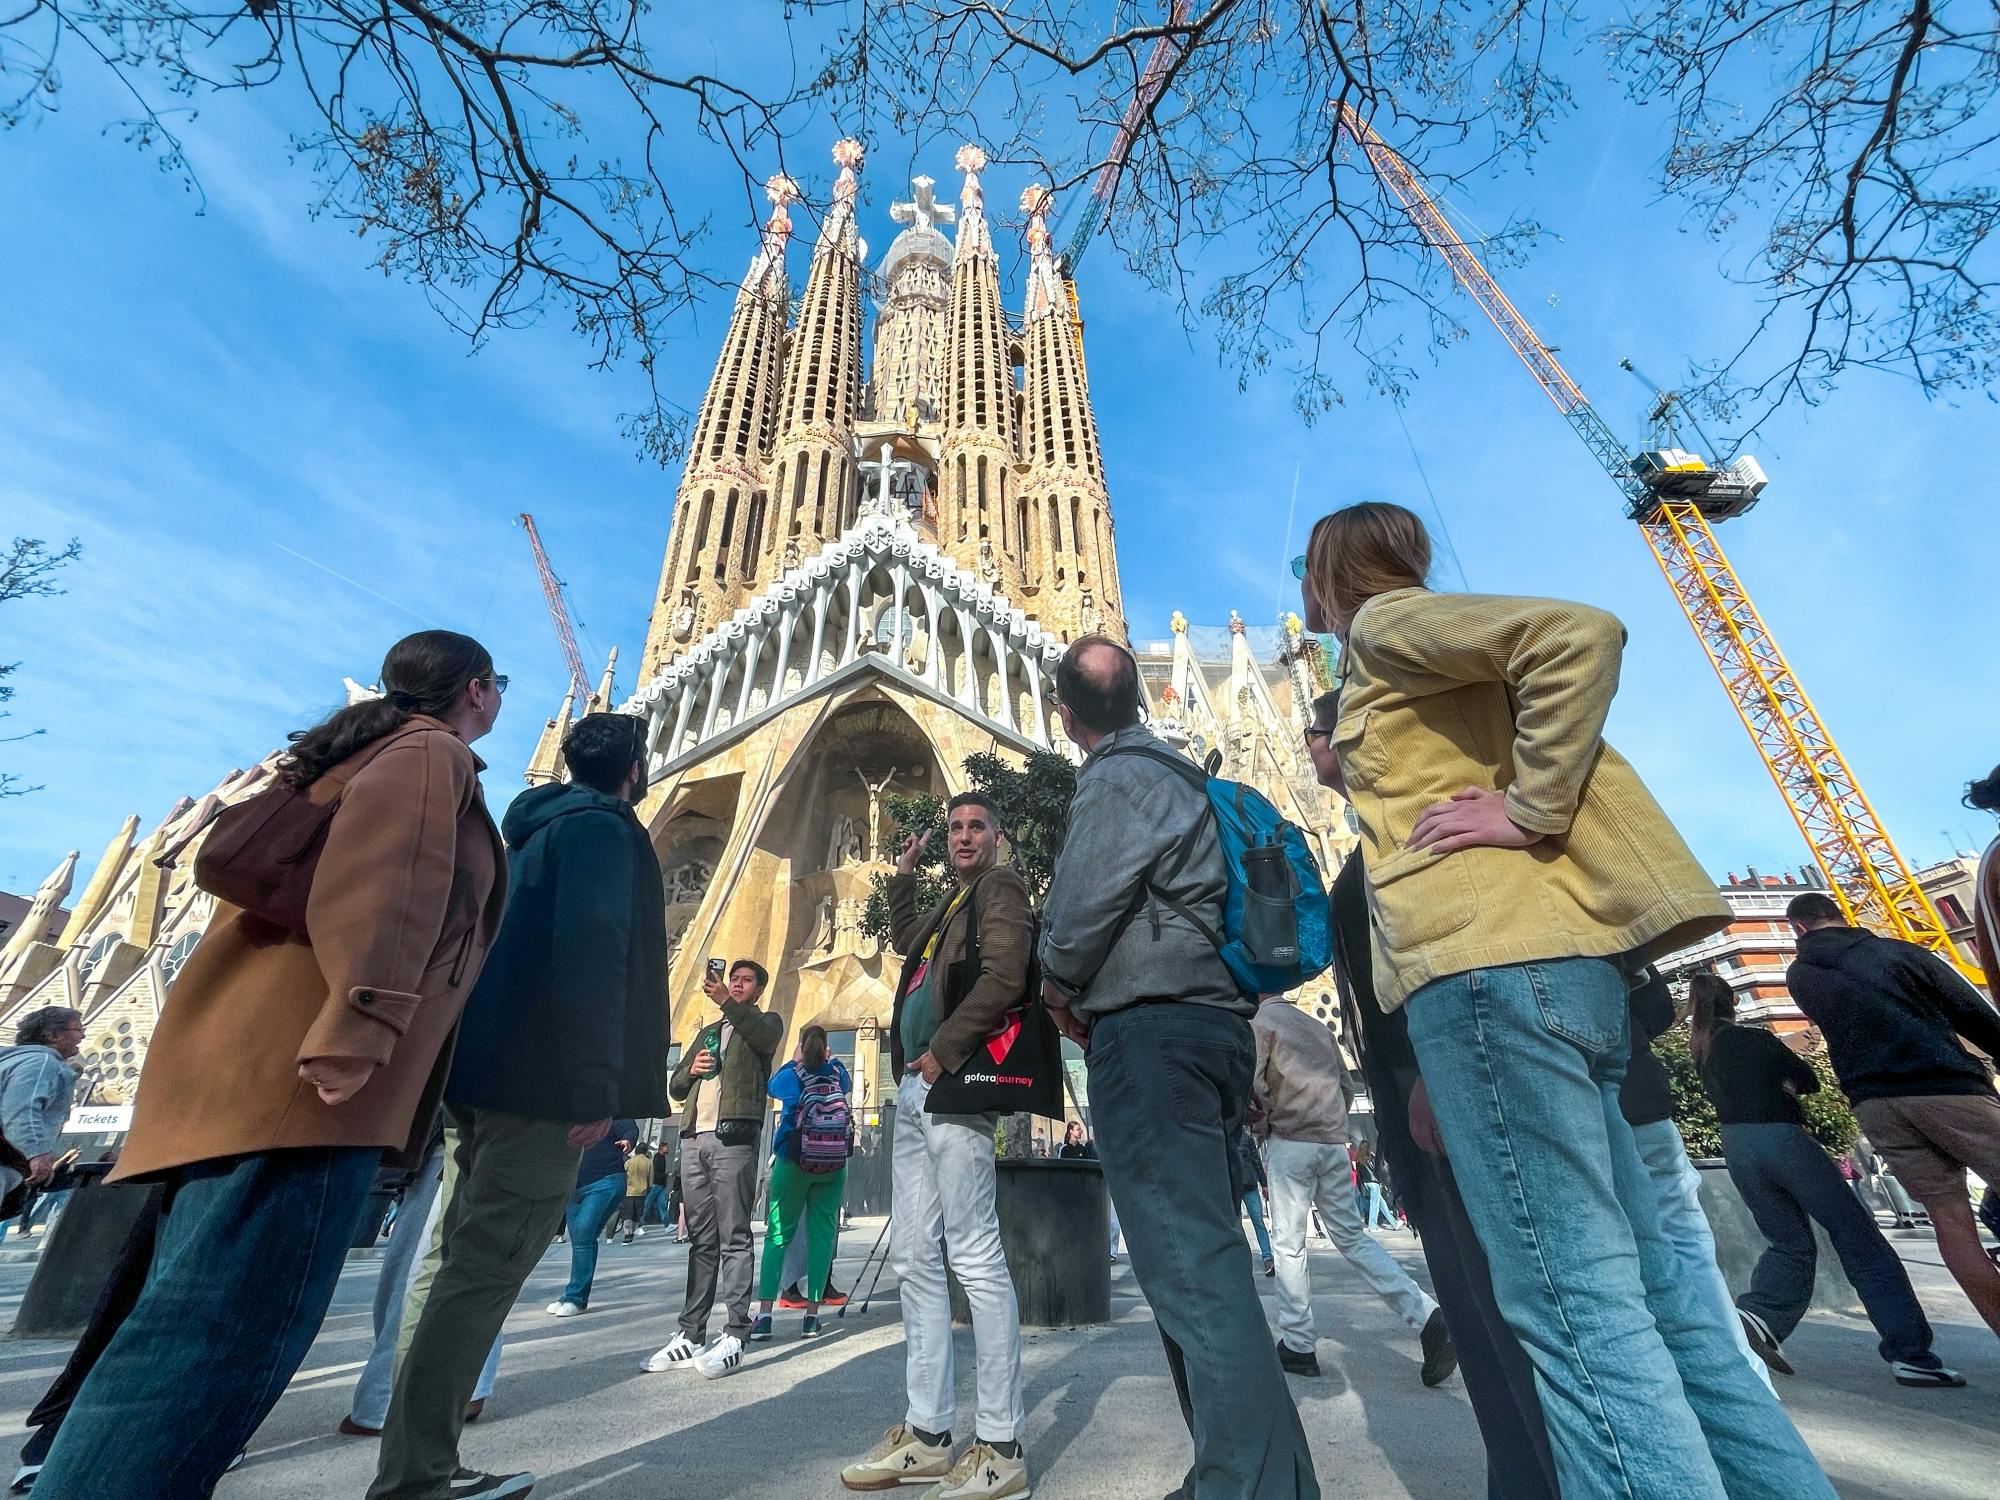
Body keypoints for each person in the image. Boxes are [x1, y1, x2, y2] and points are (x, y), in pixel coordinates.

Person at [1303, 504, 1833, 1500]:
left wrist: (1526, 807)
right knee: (1667, 1304)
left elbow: (1577, 634)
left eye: (1308, 571)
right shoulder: (1440, 675)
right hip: (1564, 973)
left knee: (1573, 1310)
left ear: (1333, 572)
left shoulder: (1380, 629)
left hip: (1485, 982)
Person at [32, 630, 510, 1500]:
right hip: (306, 1088)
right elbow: (387, 885)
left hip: (241, 1075)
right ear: (475, 691)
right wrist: (362, 1028)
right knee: (218, 1341)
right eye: (497, 685)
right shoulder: (428, 753)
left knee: (173, 1333)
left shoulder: (349, 751)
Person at [1039, 636, 1317, 1500]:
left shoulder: (1121, 777)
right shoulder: (1180, 774)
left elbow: (1082, 908)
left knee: (1192, 1268)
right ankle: (1253, 1475)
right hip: (1205, 1027)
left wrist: (1054, 981)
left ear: (1066, 715)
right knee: (1193, 1264)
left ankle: (1250, 1486)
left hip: (1152, 1033)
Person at [371, 710, 669, 1500]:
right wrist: (597, 1080)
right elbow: (594, 951)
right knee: (483, 1273)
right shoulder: (603, 831)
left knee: (449, 1264)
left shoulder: (528, 832)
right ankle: (416, 1476)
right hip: (543, 1087)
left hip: (483, 1078)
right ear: (634, 768)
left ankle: (412, 1456)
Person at [839, 792, 1032, 1499]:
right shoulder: (954, 903)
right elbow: (903, 943)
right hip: (919, 1090)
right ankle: (927, 1434)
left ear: (998, 836)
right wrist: (904, 874)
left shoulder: (1000, 889)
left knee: (975, 1254)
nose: (963, 835)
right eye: (955, 827)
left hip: (952, 1084)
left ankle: (1002, 1444)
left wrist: (944, 1051)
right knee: (915, 1255)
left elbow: (1006, 977)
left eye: (977, 825)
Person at [1688, 972, 1960, 1388]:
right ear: (1734, 1003)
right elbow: (1808, 1080)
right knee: (1858, 1237)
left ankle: (1761, 1315)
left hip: (1737, 1147)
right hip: (1781, 1137)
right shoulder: (1754, 1039)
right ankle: (1911, 1353)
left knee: (1788, 1242)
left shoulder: (1703, 1049)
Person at [1786, 881, 2000, 1342]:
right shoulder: (1897, 953)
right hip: (1945, 1084)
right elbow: (1968, 1010)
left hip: (1875, 1103)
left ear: (1799, 928)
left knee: (1949, 1219)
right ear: (1838, 914)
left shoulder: (1800, 976)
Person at [1251, 988, 1455, 1383]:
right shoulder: (1314, 1027)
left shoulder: (1260, 1026)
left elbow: (1254, 1087)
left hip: (1290, 1142)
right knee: (1353, 1237)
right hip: (1330, 1142)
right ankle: (1426, 1314)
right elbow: (1345, 1086)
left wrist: (1262, 1121)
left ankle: (1298, 1343)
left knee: (1289, 1245)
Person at [1619, 970, 1772, 1393]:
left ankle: (1662, 1382)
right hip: (1639, 1090)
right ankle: (1743, 1378)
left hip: (1572, 1102)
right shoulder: (1607, 913)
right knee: (1686, 1240)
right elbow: (1656, 1007)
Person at [644, 958, 784, 1380]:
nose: (737, 985)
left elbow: (763, 1037)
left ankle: (737, 1332)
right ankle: (691, 1332)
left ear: (757, 991)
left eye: (745, 982)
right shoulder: (708, 1032)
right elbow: (676, 1086)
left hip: (733, 1137)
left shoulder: (764, 1023)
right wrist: (692, 1069)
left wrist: (727, 1002)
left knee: (734, 1237)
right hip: (693, 1138)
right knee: (701, 1239)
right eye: (733, 980)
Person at [343, 1126, 505, 1436]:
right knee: (474, 1264)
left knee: (420, 1266)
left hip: (457, 1131)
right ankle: (466, 1388)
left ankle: (387, 1399)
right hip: (485, 1131)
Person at [751, 1025, 851, 1342]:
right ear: (826, 1048)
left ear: (801, 1045)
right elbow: (846, 1086)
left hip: (793, 1161)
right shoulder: (837, 1071)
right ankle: (811, 1318)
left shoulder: (792, 1075)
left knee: (778, 1235)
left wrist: (795, 1061)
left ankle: (765, 1316)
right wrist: (828, 1061)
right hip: (833, 1165)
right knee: (822, 1237)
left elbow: (772, 1087)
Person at [547, 1119, 641, 1318]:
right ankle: (570, 1295)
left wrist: (628, 1141)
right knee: (580, 1240)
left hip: (604, 1181)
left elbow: (629, 1126)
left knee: (583, 1236)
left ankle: (576, 1298)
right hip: (572, 1186)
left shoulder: (609, 1110)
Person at [0, 1007, 83, 1225]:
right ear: (52, 1035)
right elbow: (22, 1109)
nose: (82, 1036)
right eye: (77, 1029)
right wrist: (36, 1153)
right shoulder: (41, 1063)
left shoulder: (12, 1060)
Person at [1058, 1122, 1122, 1261]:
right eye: (1078, 1129)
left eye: (1081, 1129)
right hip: (1072, 1189)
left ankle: (1110, 1251)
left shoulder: (1084, 1149)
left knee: (1110, 1222)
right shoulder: (1064, 1149)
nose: (1080, 1132)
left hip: (1088, 1188)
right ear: (1070, 1131)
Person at [1233, 1126, 1275, 1275]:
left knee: (1238, 1225)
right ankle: (1267, 1258)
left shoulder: (1227, 1137)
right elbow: (1256, 1161)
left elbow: (1256, 1160)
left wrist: (1264, 1184)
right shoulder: (1246, 1138)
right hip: (1247, 1184)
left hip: (1236, 1186)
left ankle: (1242, 1260)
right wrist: (1264, 1184)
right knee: (1257, 1223)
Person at [1352, 1141, 1395, 1230]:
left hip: (1366, 1183)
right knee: (1375, 1204)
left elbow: (1359, 1174)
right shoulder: (1371, 1157)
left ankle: (1394, 1223)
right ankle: (1372, 1225)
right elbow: (1377, 1170)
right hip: (1374, 1183)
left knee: (1381, 1203)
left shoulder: (1358, 1160)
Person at [621, 1139, 653, 1242]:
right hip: (642, 1192)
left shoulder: (630, 1162)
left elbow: (624, 1171)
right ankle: (632, 1234)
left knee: (627, 1215)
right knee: (636, 1215)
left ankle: (627, 1235)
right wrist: (649, 1187)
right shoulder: (648, 1162)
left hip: (629, 1191)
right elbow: (651, 1178)